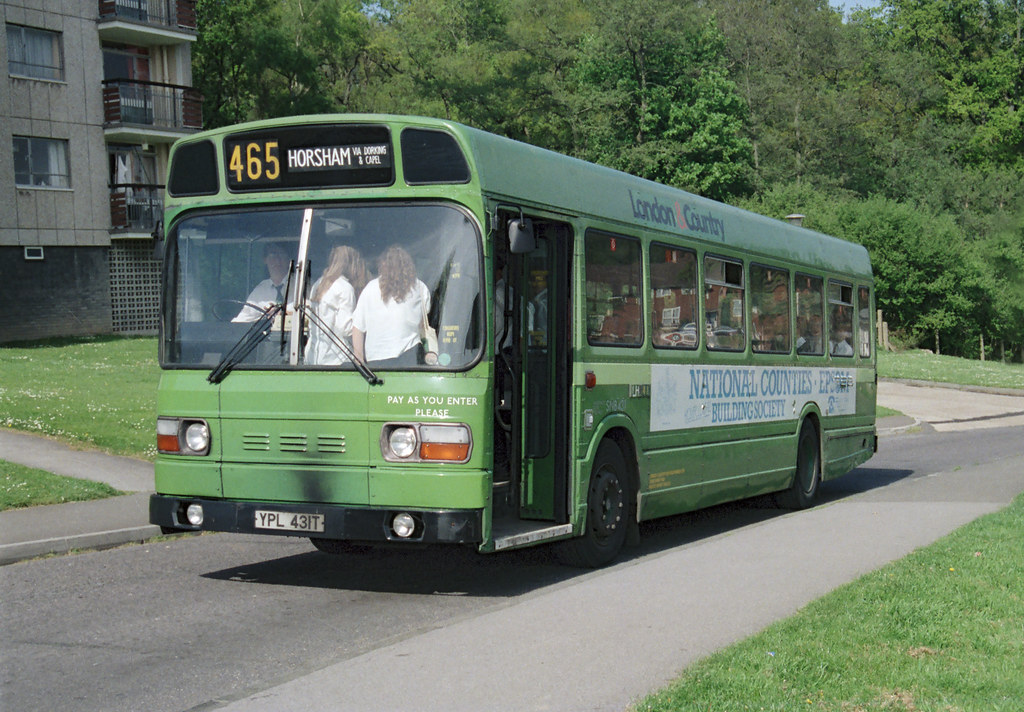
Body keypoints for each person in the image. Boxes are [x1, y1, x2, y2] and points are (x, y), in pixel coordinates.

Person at [352, 246, 435, 366]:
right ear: (409, 266)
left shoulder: (370, 288)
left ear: (382, 265)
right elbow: (423, 323)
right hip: (411, 355)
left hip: (376, 357)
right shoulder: (420, 287)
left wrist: (359, 360)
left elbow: (357, 327)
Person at [305, 245, 368, 365]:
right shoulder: (345, 288)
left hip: (313, 356)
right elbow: (345, 328)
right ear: (352, 264)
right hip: (336, 358)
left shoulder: (318, 284)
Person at [233, 242, 294, 322]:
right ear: (265, 260)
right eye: (273, 255)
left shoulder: (303, 285)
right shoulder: (261, 290)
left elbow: (311, 312)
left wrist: (286, 313)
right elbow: (243, 319)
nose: (277, 260)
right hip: (263, 335)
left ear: (289, 259)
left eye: (282, 254)